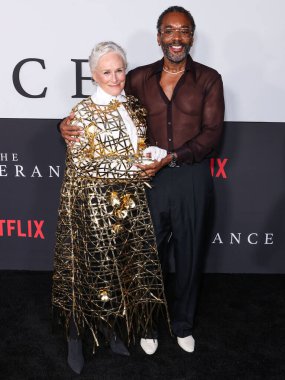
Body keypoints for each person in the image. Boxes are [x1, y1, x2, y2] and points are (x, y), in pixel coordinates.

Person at [59, 6, 224, 355]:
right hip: (149, 183)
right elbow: (101, 111)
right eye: (168, 30)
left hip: (192, 179)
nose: (175, 38)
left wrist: (173, 157)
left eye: (183, 31)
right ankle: (147, 325)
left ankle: (183, 325)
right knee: (147, 257)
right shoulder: (138, 78)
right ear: (159, 36)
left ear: (191, 36)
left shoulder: (209, 78)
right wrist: (61, 125)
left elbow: (212, 135)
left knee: (190, 257)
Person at [52, 41, 169, 374]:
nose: (115, 77)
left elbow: (137, 146)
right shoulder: (81, 114)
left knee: (118, 269)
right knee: (85, 272)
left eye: (119, 70)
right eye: (107, 71)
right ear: (93, 74)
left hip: (128, 203)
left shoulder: (133, 106)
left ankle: (110, 327)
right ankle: (75, 337)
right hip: (91, 204)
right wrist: (134, 168)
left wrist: (151, 155)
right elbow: (85, 164)